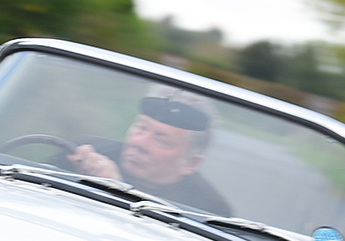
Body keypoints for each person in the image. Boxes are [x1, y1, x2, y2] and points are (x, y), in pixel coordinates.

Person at [66, 86, 231, 215]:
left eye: (161, 140)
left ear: (191, 163)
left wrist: (116, 190)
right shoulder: (86, 152)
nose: (139, 143)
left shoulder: (209, 209)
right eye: (141, 127)